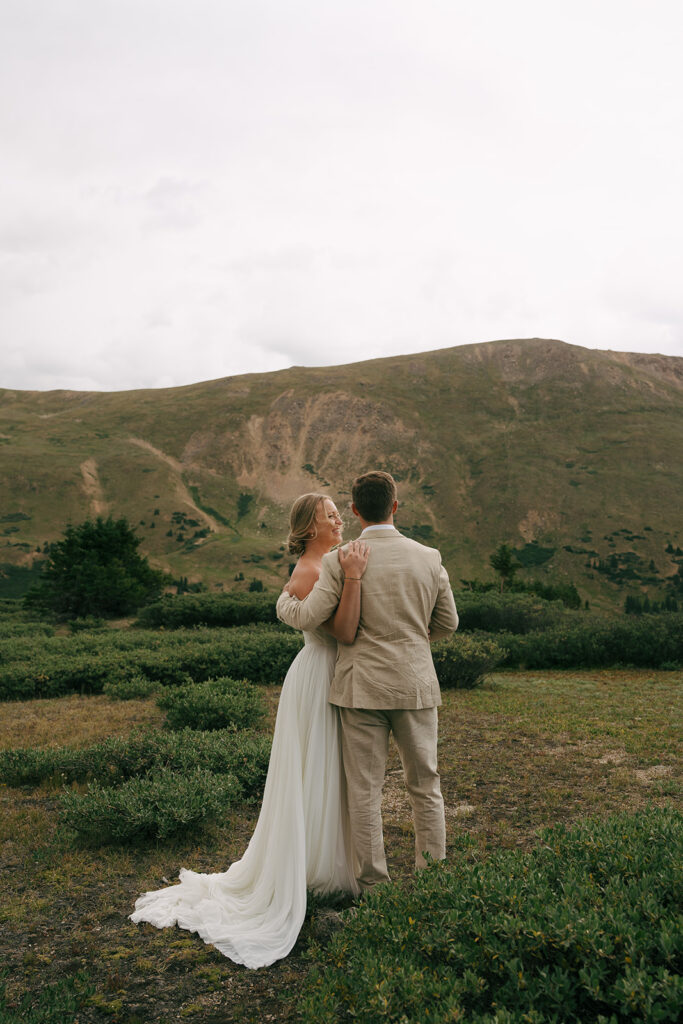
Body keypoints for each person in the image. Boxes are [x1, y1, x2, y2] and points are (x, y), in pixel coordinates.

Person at [130, 493, 369, 969]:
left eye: (338, 511)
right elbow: (342, 628)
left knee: (327, 770)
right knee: (317, 768)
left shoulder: (335, 559)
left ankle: (327, 861)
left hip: (330, 672)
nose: (339, 518)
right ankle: (314, 867)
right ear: (309, 526)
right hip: (320, 673)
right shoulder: (312, 569)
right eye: (329, 515)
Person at [276, 470, 459, 890]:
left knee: (364, 791)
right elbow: (448, 622)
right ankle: (433, 880)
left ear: (356, 511)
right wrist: (412, 640)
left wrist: (284, 602)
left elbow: (308, 617)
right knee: (425, 784)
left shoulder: (339, 560)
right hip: (415, 685)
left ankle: (375, 886)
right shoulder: (428, 556)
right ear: (395, 506)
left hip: (360, 689)